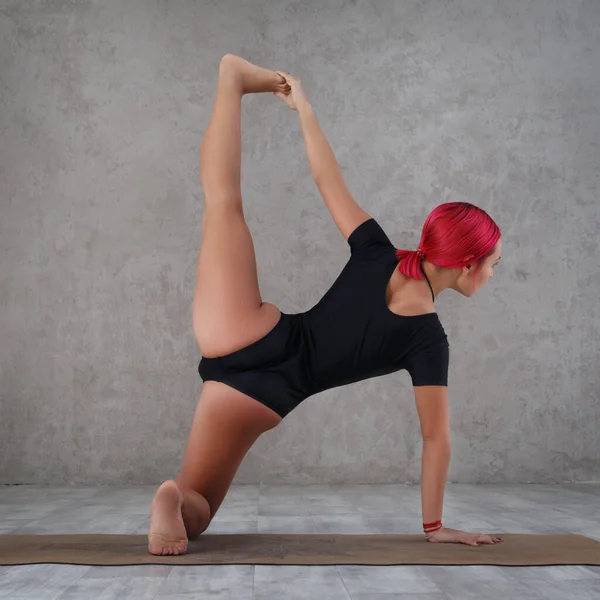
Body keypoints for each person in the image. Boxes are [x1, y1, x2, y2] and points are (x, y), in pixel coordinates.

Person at [148, 54, 503, 556]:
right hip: (265, 395)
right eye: (492, 264)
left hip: (246, 327)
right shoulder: (427, 340)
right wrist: (436, 526)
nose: (491, 275)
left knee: (222, 200)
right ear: (466, 263)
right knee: (199, 502)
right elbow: (436, 440)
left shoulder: (376, 249)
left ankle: (231, 81)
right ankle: (173, 500)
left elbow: (325, 177)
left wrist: (304, 107)